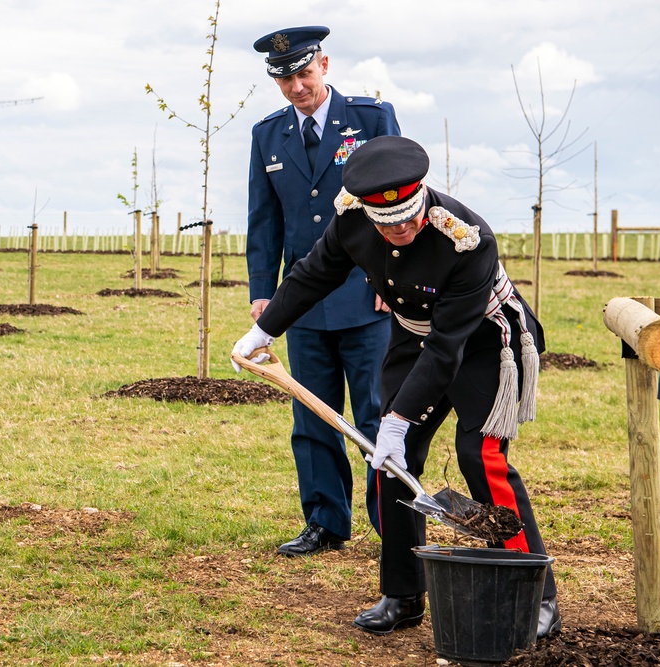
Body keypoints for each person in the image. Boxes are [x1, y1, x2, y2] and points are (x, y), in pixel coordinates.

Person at [232, 135, 561, 638]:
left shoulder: (467, 238)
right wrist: (262, 330)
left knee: (480, 457)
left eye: (409, 218)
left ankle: (538, 595)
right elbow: (312, 276)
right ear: (367, 212)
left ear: (422, 198)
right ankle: (403, 594)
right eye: (388, 223)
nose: (401, 230)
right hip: (413, 337)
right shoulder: (351, 222)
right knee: (391, 460)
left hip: (484, 345)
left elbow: (447, 349)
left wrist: (397, 418)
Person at [246, 25, 400, 557]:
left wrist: (392, 278)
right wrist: (264, 291)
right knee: (312, 415)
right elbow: (263, 220)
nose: (295, 88)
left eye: (304, 74)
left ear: (325, 65)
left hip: (367, 297)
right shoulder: (267, 136)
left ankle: (393, 524)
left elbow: (399, 201)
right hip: (303, 302)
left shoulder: (371, 119)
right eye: (284, 79)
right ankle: (325, 522)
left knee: (379, 414)